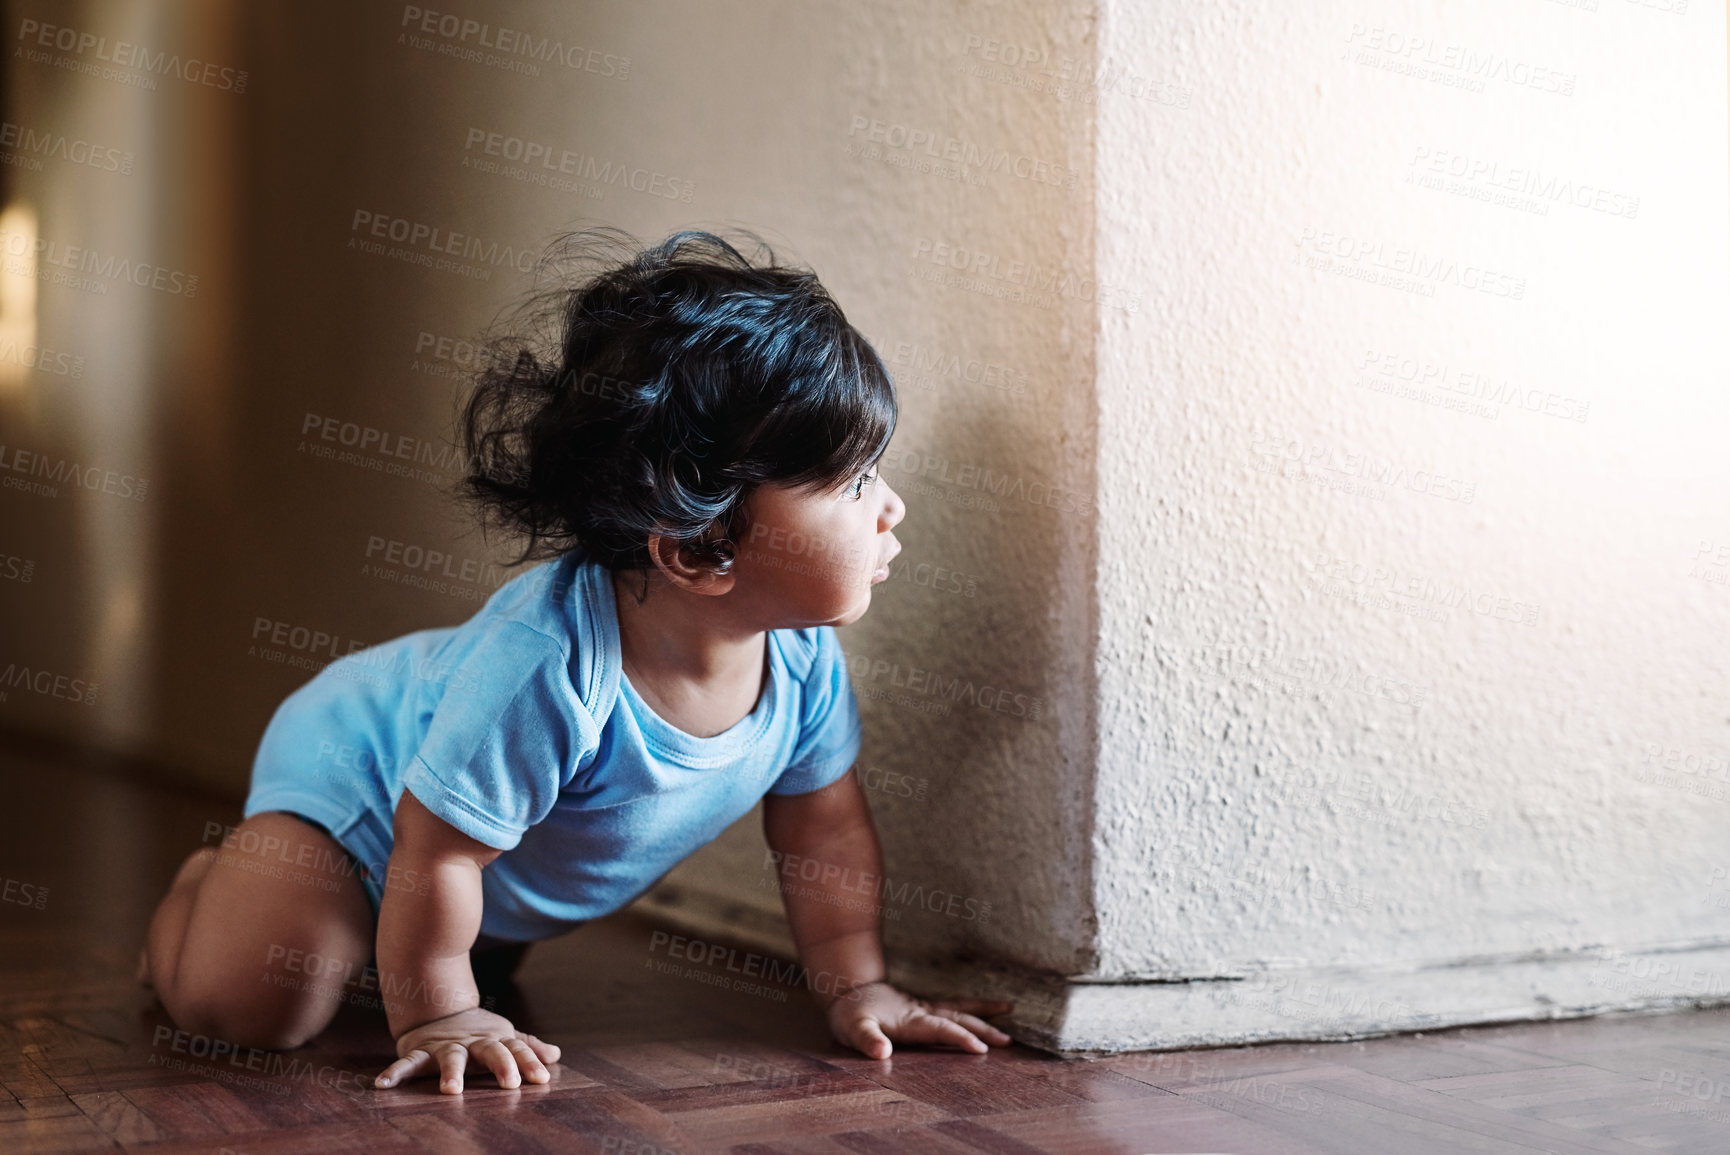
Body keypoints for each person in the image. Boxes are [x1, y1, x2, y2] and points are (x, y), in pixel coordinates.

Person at [140, 228, 1013, 1095]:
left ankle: (415, 947)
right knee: (253, 1011)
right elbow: (436, 851)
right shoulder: (548, 666)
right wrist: (441, 1012)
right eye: (854, 482)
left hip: (480, 852)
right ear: (702, 547)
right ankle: (209, 889)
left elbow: (823, 832)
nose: (890, 505)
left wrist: (858, 985)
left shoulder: (802, 658)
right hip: (365, 801)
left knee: (472, 921)